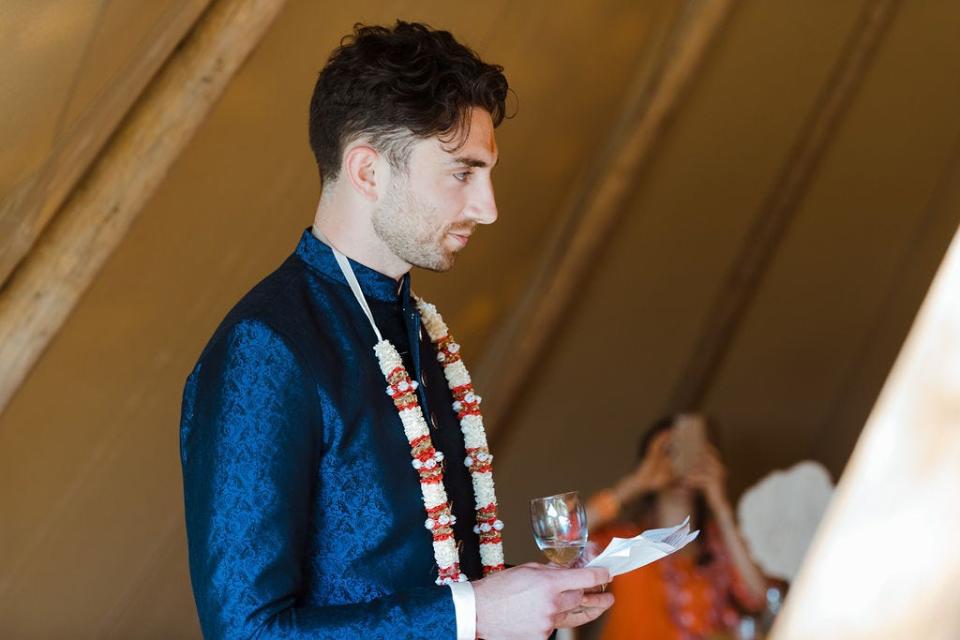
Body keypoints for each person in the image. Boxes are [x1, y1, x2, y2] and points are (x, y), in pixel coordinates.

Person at [179, 21, 612, 640]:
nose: (488, 208)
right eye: (462, 173)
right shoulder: (266, 347)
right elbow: (246, 632)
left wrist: (524, 597)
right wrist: (476, 614)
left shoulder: (416, 327)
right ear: (368, 171)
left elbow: (417, 576)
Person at [585, 414, 767, 640]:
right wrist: (634, 484)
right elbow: (567, 541)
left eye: (691, 450)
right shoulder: (625, 544)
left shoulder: (718, 543)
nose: (680, 464)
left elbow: (758, 598)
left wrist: (721, 505)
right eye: (669, 453)